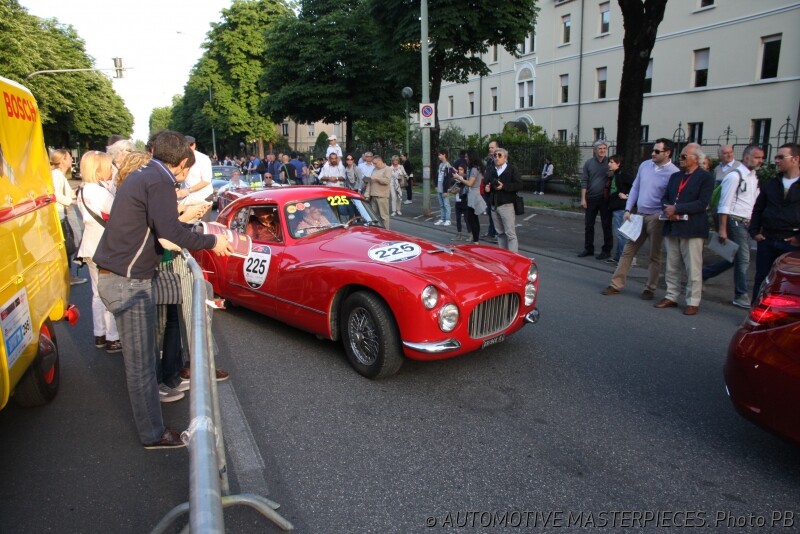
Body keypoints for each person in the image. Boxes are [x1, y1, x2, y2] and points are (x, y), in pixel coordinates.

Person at [94, 130, 232, 449]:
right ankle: (152, 434)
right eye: (186, 170)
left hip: (124, 277)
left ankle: (157, 416)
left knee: (145, 358)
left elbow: (163, 227)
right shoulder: (159, 181)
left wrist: (193, 228)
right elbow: (169, 233)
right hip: (128, 282)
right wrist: (212, 240)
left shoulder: (146, 174)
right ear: (182, 162)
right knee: (142, 365)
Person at [602, 138, 679, 299]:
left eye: (657, 151)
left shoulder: (673, 172)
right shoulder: (645, 165)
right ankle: (615, 284)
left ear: (667, 153)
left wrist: (666, 213)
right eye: (653, 150)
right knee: (628, 251)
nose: (653, 153)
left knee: (654, 255)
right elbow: (636, 187)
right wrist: (628, 208)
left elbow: (673, 197)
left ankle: (650, 288)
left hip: (657, 217)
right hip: (639, 214)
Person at [654, 143, 715, 316]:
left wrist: (677, 209)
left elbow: (702, 203)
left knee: (693, 267)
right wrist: (668, 209)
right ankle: (671, 296)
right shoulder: (675, 176)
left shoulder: (705, 177)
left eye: (683, 156)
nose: (679, 160)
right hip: (672, 225)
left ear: (695, 159)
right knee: (672, 264)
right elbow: (665, 197)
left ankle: (693, 301)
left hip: (692, 227)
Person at [702, 144, 764, 308]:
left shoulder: (753, 177)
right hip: (735, 221)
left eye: (762, 158)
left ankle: (704, 273)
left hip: (746, 222)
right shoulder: (734, 176)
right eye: (757, 157)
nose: (760, 161)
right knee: (743, 259)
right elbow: (724, 204)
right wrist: (722, 229)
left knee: (736, 257)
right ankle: (740, 295)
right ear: (747, 157)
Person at [75, 151, 121, 354]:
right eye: (108, 166)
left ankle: (100, 334)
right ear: (99, 169)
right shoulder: (99, 192)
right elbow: (118, 211)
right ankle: (113, 337)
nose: (112, 169)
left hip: (90, 245)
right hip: (105, 246)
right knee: (110, 291)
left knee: (97, 293)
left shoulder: (84, 189)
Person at [749, 142, 800, 302]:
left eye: (781, 157)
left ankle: (780, 314)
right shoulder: (771, 184)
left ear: (796, 159)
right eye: (776, 157)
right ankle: (755, 311)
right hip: (768, 239)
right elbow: (758, 208)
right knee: (762, 279)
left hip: (791, 241)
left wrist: (798, 238)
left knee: (788, 282)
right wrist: (754, 231)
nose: (776, 161)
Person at [50, 148, 86, 285]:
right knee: (67, 246)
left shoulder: (59, 174)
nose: (72, 159)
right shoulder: (57, 175)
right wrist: (70, 201)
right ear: (62, 160)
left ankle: (68, 276)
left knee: (67, 246)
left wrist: (78, 191)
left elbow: (66, 192)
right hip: (60, 216)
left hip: (61, 215)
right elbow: (56, 194)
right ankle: (68, 277)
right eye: (69, 157)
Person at [578, 140, 612, 259]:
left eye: (604, 148)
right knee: (589, 225)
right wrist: (583, 198)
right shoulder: (589, 163)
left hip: (605, 199)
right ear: (595, 150)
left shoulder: (610, 162)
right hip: (591, 198)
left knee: (606, 225)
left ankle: (606, 250)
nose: (602, 151)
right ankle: (588, 248)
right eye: (600, 148)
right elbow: (584, 181)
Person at [484, 147, 522, 252]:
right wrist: (488, 189)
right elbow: (487, 183)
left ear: (505, 158)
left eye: (499, 155)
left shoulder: (512, 169)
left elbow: (519, 185)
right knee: (500, 233)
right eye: (495, 155)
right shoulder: (491, 170)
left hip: (506, 205)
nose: (496, 157)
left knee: (510, 233)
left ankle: (513, 257)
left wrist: (504, 186)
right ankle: (504, 255)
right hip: (494, 205)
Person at [606, 154, 635, 264]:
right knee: (619, 233)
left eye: (612, 162)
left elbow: (635, 185)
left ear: (618, 163)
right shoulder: (616, 174)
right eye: (609, 162)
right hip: (615, 207)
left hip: (621, 207)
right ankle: (618, 257)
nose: (609, 164)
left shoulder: (623, 174)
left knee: (621, 234)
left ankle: (624, 259)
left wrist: (627, 196)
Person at [177, 136, 214, 222]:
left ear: (194, 145)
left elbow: (206, 181)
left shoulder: (203, 159)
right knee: (187, 224)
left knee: (201, 225)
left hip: (203, 196)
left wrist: (188, 190)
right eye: (185, 146)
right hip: (187, 197)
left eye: (190, 145)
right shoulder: (180, 158)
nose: (188, 148)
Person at [458, 149, 486, 244]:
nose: (465, 158)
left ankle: (476, 240)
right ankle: (476, 239)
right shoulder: (477, 168)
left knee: (471, 218)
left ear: (471, 157)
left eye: (467, 157)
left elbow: (470, 183)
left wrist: (460, 178)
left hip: (473, 195)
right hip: (475, 194)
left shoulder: (474, 169)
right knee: (474, 218)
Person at [364, 155, 392, 228]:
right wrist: (367, 194)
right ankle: (375, 231)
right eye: (373, 163)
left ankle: (386, 231)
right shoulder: (374, 169)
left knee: (384, 216)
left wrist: (377, 178)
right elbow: (370, 182)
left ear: (380, 161)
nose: (374, 165)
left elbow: (387, 181)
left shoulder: (387, 169)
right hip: (373, 196)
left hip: (382, 196)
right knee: (373, 216)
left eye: (375, 163)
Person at [481, 141, 499, 242]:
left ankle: (496, 233)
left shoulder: (498, 160)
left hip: (494, 190)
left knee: (495, 213)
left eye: (492, 147)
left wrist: (491, 185)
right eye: (489, 148)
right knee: (490, 212)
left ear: (497, 148)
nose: (490, 149)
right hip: (487, 189)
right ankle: (491, 232)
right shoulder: (489, 160)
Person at [434, 149, 455, 226]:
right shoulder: (440, 165)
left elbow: (448, 178)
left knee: (446, 205)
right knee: (441, 205)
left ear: (444, 155)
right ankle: (442, 219)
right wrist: (436, 185)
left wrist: (446, 190)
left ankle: (448, 220)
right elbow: (438, 176)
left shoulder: (447, 165)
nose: (439, 156)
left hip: (444, 188)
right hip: (439, 187)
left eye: (440, 154)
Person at [450, 163, 470, 241]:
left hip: (464, 201)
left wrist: (459, 190)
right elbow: (454, 188)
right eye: (458, 169)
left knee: (466, 218)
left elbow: (466, 189)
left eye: (461, 169)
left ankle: (471, 234)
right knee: (458, 218)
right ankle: (459, 234)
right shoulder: (458, 179)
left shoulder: (465, 178)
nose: (459, 171)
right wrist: (452, 190)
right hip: (458, 200)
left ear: (465, 170)